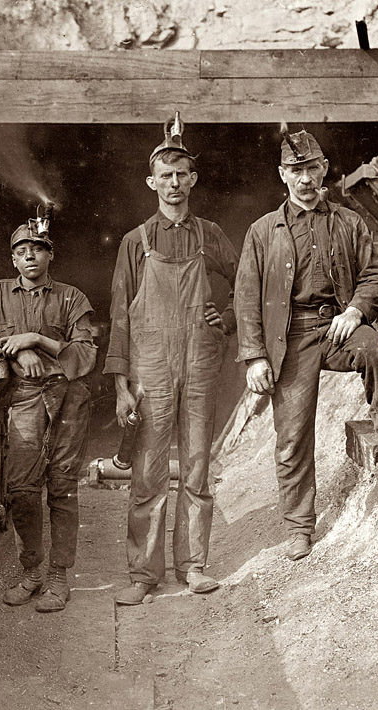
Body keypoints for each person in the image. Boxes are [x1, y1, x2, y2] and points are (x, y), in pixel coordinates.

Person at [234, 126, 378, 563]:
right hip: (288, 338)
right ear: (283, 174)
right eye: (296, 170)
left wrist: (355, 311)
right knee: (292, 437)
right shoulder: (263, 232)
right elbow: (245, 297)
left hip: (336, 326)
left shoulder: (349, 222)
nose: (305, 179)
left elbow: (373, 275)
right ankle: (300, 527)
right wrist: (255, 356)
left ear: (325, 170)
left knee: (375, 348)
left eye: (312, 169)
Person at [106, 115, 239, 606]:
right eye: (166, 175)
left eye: (182, 174)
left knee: (198, 466)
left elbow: (247, 285)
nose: (175, 183)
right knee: (148, 473)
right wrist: (121, 385)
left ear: (193, 179)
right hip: (151, 369)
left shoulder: (210, 235)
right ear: (152, 182)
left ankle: (193, 566)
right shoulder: (136, 241)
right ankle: (144, 574)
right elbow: (120, 315)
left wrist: (227, 319)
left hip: (200, 364)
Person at [0, 222, 97, 613]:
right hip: (24, 398)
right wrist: (16, 349)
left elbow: (85, 355)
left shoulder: (71, 297)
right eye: (21, 251)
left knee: (62, 487)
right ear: (13, 260)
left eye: (37, 249)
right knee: (21, 488)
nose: (30, 256)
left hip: (68, 398)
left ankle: (58, 577)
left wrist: (36, 339)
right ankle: (32, 571)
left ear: (50, 255)